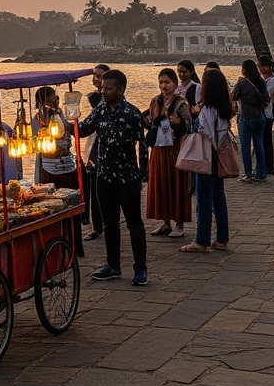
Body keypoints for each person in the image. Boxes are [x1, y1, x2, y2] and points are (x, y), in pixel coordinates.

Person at [82, 69, 149, 286]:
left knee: (134, 224)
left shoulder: (131, 113)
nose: (103, 91)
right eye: (102, 87)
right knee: (110, 224)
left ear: (120, 90)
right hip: (104, 177)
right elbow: (83, 128)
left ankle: (140, 269)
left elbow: (143, 145)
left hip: (127, 177)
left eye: (108, 88)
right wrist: (64, 121)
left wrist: (142, 175)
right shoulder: (100, 110)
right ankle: (113, 265)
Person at [182, 66, 232, 254]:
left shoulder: (207, 109)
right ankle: (221, 238)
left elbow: (205, 132)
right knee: (219, 197)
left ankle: (201, 240)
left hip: (205, 155)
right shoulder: (224, 108)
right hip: (218, 153)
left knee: (203, 199)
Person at [143, 68, 192, 239]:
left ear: (175, 84)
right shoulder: (155, 101)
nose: (163, 86)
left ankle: (179, 224)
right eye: (161, 82)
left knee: (177, 185)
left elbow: (188, 126)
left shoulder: (181, 103)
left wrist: (177, 122)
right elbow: (149, 121)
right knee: (161, 184)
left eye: (167, 82)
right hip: (159, 149)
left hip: (175, 148)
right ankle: (165, 222)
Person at [82, 64, 110, 240]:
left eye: (100, 76)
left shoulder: (108, 99)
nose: (96, 79)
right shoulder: (95, 98)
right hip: (94, 146)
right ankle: (96, 225)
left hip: (107, 148)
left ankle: (105, 224)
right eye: (94, 76)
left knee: (104, 189)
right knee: (93, 185)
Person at [232, 60, 270, 182]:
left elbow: (233, 96)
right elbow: (267, 99)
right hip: (260, 117)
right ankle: (261, 173)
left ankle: (248, 175)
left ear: (244, 70)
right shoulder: (261, 82)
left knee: (245, 147)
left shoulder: (242, 83)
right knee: (259, 146)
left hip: (246, 118)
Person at [256, 54, 274, 176]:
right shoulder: (264, 80)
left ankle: (269, 166)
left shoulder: (273, 81)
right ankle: (266, 165)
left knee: (266, 141)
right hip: (263, 113)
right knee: (264, 141)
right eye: (260, 66)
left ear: (269, 67)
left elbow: (268, 98)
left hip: (267, 114)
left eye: (262, 66)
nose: (261, 69)